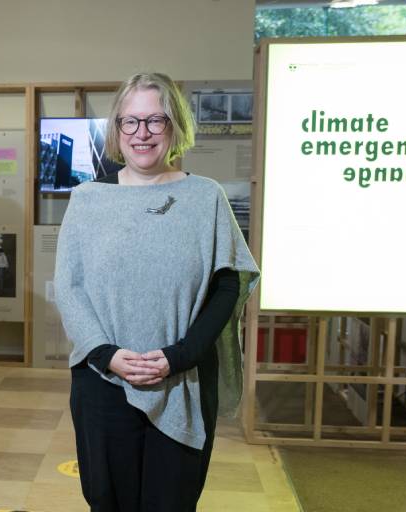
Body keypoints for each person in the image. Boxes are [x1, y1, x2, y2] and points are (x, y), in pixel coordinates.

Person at [54, 72, 259, 512]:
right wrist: (106, 352)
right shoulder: (88, 200)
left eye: (155, 121)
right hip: (103, 382)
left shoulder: (206, 198)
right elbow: (70, 289)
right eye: (130, 121)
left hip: (182, 381)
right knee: (108, 502)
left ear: (175, 127)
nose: (141, 133)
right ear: (116, 128)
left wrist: (181, 355)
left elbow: (229, 284)